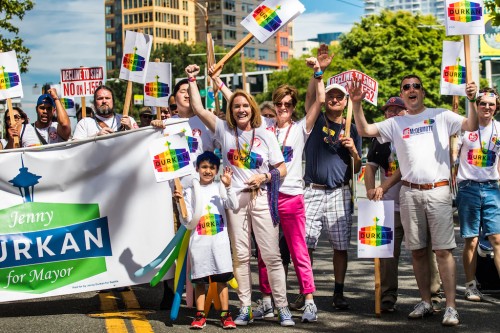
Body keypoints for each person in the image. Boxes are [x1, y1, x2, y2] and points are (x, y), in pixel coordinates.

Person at [351, 74, 478, 326]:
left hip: (438, 191)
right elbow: (365, 130)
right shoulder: (396, 123)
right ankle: (426, 302)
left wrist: (471, 100)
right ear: (403, 92)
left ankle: (451, 307)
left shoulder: (441, 115)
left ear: (422, 92)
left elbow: (471, 126)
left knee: (442, 250)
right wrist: (356, 104)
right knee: (417, 252)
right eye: (406, 87)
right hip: (408, 192)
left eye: (416, 86)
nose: (411, 90)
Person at [186, 64, 293, 327]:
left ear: (252, 108)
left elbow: (282, 168)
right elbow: (199, 109)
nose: (241, 109)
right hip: (235, 200)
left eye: (245, 105)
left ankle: (282, 307)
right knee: (241, 256)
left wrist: (265, 177)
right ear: (231, 111)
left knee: (271, 256)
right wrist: (191, 78)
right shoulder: (223, 129)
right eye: (236, 106)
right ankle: (245, 306)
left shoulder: (266, 134)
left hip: (260, 197)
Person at [253, 57, 324, 323]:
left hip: (292, 196)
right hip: (266, 197)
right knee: (264, 252)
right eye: (279, 103)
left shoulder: (300, 128)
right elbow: (241, 108)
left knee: (298, 250)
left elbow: (319, 101)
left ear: (293, 107)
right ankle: (267, 301)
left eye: (288, 104)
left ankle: (309, 301)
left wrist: (318, 72)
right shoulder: (265, 128)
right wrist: (217, 83)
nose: (283, 108)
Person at [364, 97, 442, 313]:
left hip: (416, 201)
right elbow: (370, 167)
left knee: (425, 251)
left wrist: (384, 186)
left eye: (397, 110)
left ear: (406, 112)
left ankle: (433, 295)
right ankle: (387, 296)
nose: (392, 114)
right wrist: (371, 190)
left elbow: (407, 168)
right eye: (388, 111)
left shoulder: (416, 134)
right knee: (387, 253)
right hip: (388, 206)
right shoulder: (379, 138)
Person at [302, 45, 362, 311]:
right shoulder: (314, 121)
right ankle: (307, 293)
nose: (335, 100)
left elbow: (357, 167)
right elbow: (310, 98)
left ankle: (338, 292)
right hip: (312, 190)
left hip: (339, 192)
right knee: (307, 245)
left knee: (340, 246)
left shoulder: (353, 127)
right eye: (331, 96)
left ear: (346, 101)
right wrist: (319, 72)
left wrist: (353, 150)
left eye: (340, 97)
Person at [174, 151, 238, 329]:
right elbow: (186, 221)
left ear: (217, 170)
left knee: (221, 279)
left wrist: (229, 187)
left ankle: (225, 315)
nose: (208, 171)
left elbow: (233, 205)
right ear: (197, 169)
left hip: (219, 243)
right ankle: (200, 314)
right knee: (200, 281)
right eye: (204, 167)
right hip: (199, 243)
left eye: (212, 167)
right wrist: (180, 205)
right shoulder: (189, 191)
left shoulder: (220, 187)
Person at [456, 87, 500, 302]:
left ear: (496, 108)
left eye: (491, 104)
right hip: (468, 188)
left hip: (492, 188)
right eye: (483, 103)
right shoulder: (465, 128)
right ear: (476, 104)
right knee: (471, 240)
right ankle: (471, 284)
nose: (487, 107)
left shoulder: (499, 129)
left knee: (497, 239)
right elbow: (451, 157)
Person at [72, 85, 138, 139]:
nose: (104, 101)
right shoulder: (84, 123)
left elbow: (141, 144)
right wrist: (96, 136)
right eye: (100, 98)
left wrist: (130, 129)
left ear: (113, 101)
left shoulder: (128, 120)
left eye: (107, 98)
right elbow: (75, 148)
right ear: (94, 103)